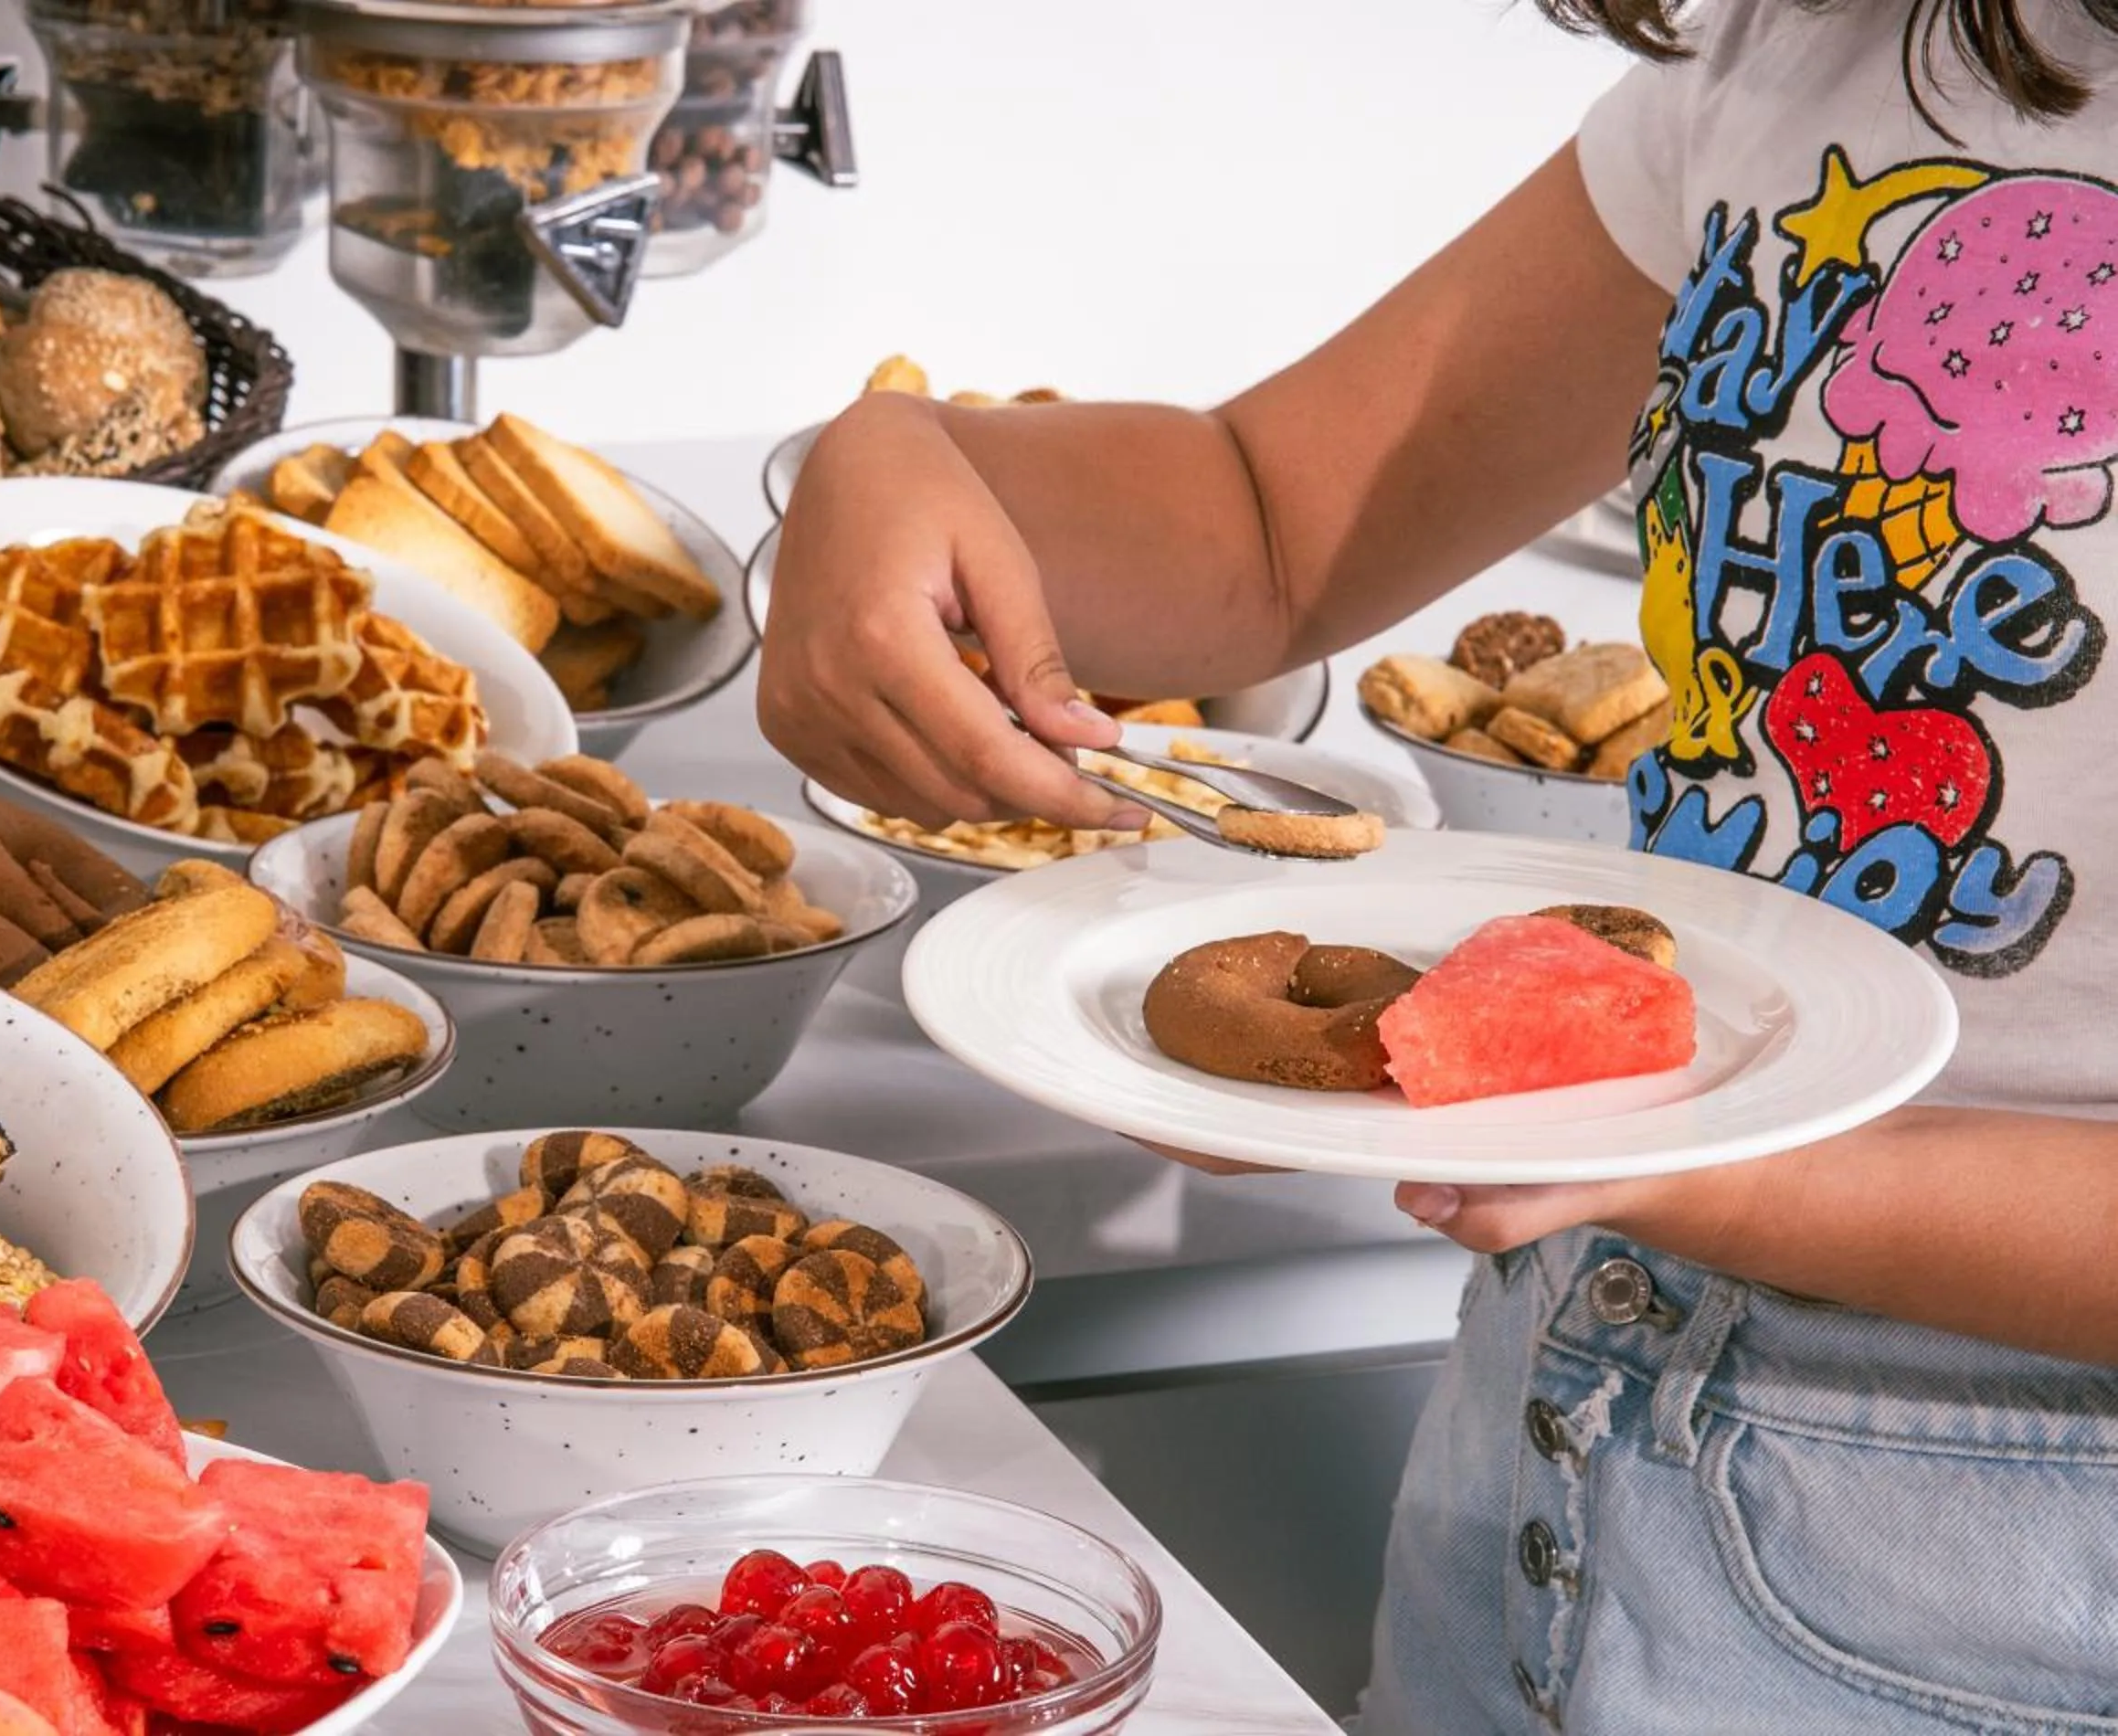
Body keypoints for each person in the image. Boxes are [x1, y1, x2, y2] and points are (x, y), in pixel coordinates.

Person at [757, 1, 2118, 1728]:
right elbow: (1270, 518)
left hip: (2014, 1566)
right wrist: (904, 463)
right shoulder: (1828, 46)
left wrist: (1700, 1164)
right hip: (1556, 1399)